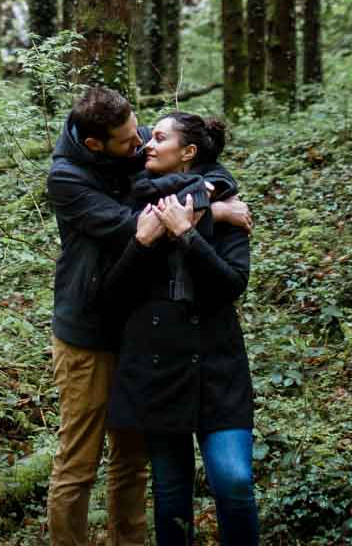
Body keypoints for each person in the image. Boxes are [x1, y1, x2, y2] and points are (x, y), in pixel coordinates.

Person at [46, 88, 252, 546]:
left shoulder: (135, 145)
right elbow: (131, 225)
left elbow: (204, 169)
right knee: (79, 462)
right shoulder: (66, 177)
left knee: (131, 459)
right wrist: (213, 209)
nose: (141, 145)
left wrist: (202, 196)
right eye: (130, 140)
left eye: (142, 131)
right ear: (96, 144)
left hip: (139, 332)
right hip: (88, 330)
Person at [100, 111, 259, 546]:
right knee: (171, 491)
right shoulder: (132, 206)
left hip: (216, 363)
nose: (148, 143)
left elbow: (232, 283)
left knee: (234, 480)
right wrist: (143, 241)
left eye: (161, 138)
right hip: (157, 366)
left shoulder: (228, 200)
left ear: (187, 152)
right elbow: (111, 294)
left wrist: (189, 235)